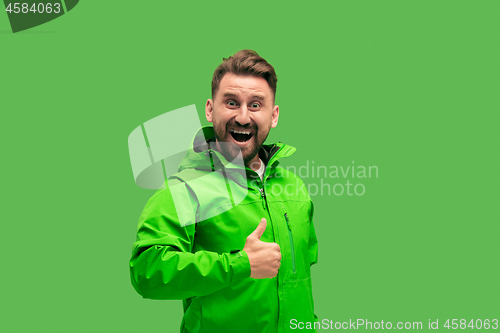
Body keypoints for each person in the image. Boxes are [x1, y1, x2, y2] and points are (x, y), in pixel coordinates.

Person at [129, 49, 319, 333]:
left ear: (274, 115)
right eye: (231, 102)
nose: (243, 117)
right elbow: (147, 270)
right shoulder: (185, 188)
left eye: (256, 105)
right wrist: (240, 264)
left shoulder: (294, 187)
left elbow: (302, 277)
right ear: (210, 109)